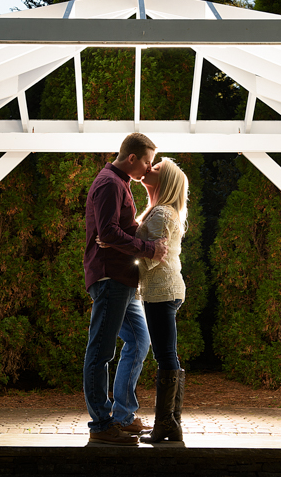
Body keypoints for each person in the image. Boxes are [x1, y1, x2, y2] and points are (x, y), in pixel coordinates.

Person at [83, 132, 168, 446]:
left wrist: (139, 240)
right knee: (100, 352)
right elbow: (107, 232)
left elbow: (119, 230)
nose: (148, 167)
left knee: (139, 340)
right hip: (109, 277)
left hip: (122, 279)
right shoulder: (109, 183)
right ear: (132, 158)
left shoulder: (121, 184)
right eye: (146, 161)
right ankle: (102, 425)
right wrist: (147, 249)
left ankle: (123, 415)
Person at [98, 157, 189, 443]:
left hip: (162, 290)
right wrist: (122, 239)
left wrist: (117, 241)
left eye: (156, 168)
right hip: (160, 291)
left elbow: (155, 255)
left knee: (165, 355)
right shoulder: (157, 210)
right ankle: (170, 424)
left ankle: (168, 425)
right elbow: (147, 247)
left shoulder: (162, 213)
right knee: (165, 353)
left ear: (165, 181)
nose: (149, 169)